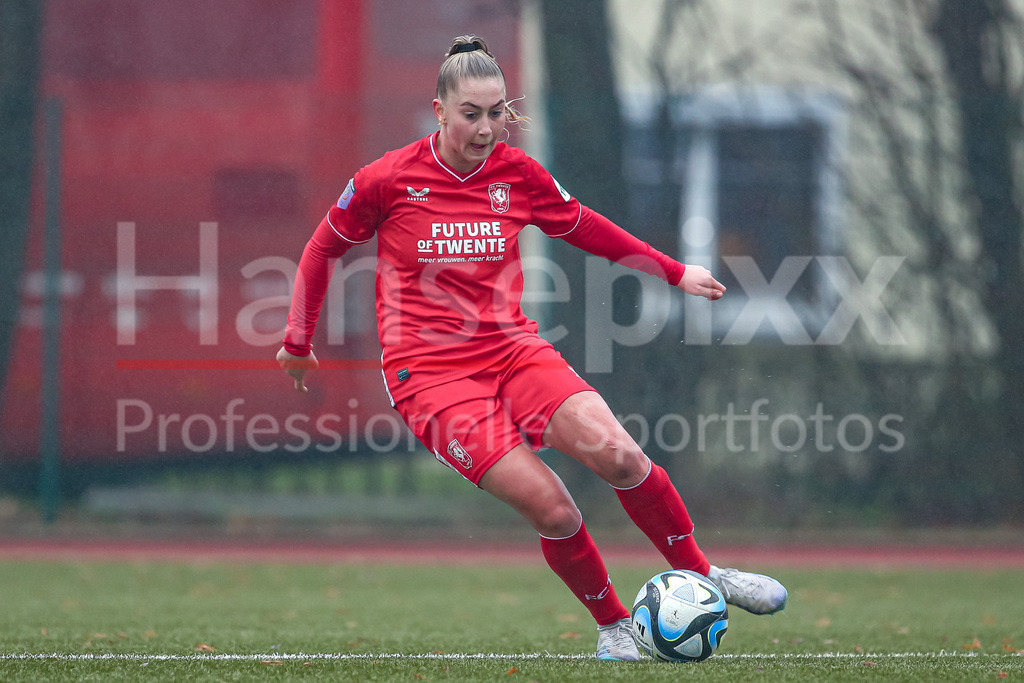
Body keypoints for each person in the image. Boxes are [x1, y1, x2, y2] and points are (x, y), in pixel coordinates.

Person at [278, 34, 787, 661]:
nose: (486, 128)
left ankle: (706, 575)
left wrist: (673, 272)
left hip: (514, 352)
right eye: (471, 114)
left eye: (497, 113)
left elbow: (586, 227)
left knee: (621, 456)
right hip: (431, 378)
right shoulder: (386, 179)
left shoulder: (517, 173)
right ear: (439, 111)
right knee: (555, 509)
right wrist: (298, 340)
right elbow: (321, 248)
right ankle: (614, 626)